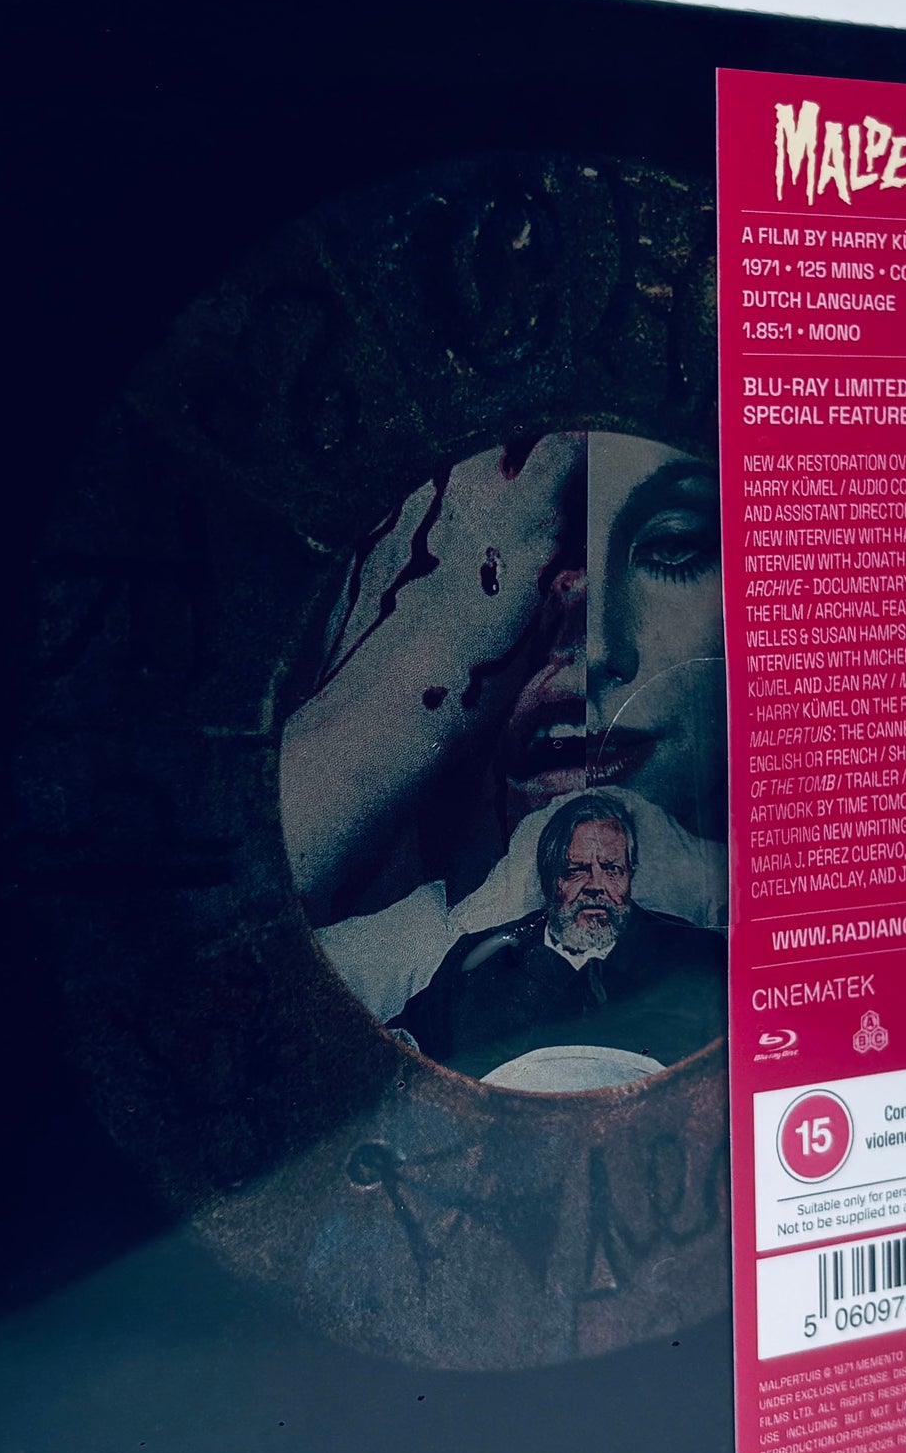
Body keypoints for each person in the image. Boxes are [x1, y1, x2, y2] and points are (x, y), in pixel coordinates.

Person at [281, 432, 728, 1029]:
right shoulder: (393, 962)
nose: (598, 649)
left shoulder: (780, 935)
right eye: (470, 557)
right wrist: (422, 658)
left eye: (672, 546)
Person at [390, 793, 724, 1087]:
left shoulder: (695, 956)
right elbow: (394, 1056)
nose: (596, 885)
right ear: (549, 879)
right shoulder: (476, 962)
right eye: (576, 870)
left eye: (612, 869)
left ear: (629, 874)